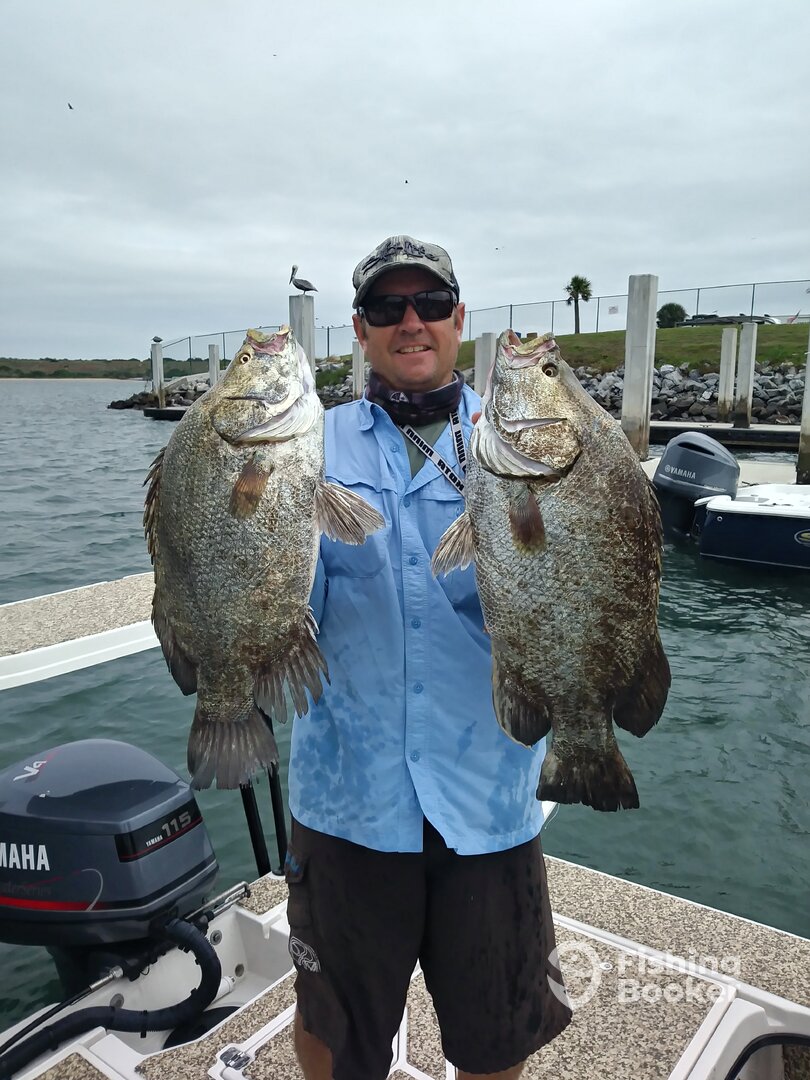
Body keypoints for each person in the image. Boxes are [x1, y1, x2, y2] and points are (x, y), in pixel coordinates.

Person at [286, 235, 571, 1080]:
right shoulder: (307, 443)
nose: (410, 321)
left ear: (459, 319)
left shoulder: (533, 438)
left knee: (495, 1035)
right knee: (336, 1028)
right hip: (347, 799)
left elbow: (578, 576)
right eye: (386, 307)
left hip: (486, 799)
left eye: (429, 304)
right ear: (360, 331)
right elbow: (277, 599)